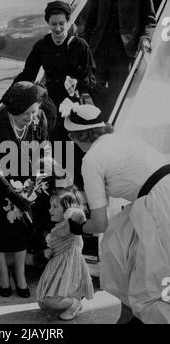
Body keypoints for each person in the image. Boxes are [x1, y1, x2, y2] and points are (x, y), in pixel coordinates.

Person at [61, 100, 170, 324]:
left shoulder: (91, 159)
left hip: (158, 202)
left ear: (78, 136)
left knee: (152, 284)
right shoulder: (120, 138)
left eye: (71, 136)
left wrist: (79, 226)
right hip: (158, 194)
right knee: (118, 245)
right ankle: (127, 313)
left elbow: (99, 223)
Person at [0, 81, 50, 298]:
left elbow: (43, 151)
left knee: (23, 227)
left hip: (26, 178)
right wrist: (11, 193)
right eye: (25, 114)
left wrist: (33, 184)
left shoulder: (39, 117)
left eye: (33, 112)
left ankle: (20, 274)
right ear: (12, 112)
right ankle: (4, 275)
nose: (31, 117)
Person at [13, 0, 96, 187]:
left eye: (61, 23)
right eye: (53, 24)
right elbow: (28, 74)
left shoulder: (80, 46)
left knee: (77, 156)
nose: (58, 29)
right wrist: (11, 94)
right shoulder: (42, 46)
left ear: (68, 22)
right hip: (52, 109)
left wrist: (78, 84)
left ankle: (80, 197)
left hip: (74, 110)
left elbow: (91, 78)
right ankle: (58, 198)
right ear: (48, 24)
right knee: (56, 155)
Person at [83, 0, 156, 122]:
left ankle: (109, 128)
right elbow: (90, 20)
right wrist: (87, 46)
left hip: (123, 54)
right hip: (98, 51)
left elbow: (150, 20)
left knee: (117, 96)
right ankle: (102, 124)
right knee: (94, 89)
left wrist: (145, 37)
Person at [36, 186, 94, 321]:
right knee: (42, 302)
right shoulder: (58, 227)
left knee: (50, 301)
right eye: (51, 206)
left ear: (67, 208)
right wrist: (49, 250)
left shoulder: (72, 225)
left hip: (69, 270)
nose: (50, 210)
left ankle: (75, 304)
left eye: (55, 206)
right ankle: (64, 300)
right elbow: (55, 243)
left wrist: (72, 211)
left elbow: (79, 216)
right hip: (57, 269)